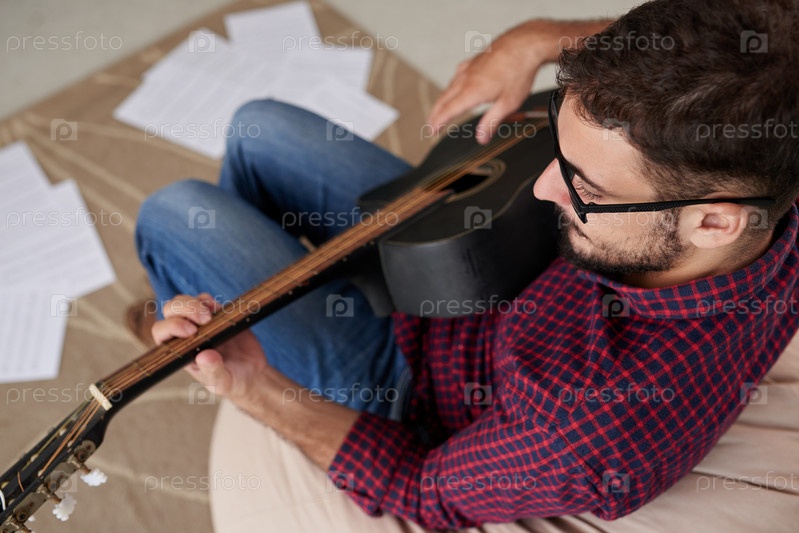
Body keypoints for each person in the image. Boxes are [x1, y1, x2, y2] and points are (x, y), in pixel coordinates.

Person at [133, 0, 799, 530]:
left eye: (587, 189)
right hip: (478, 268)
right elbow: (740, 56)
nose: (544, 187)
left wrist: (254, 386)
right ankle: (260, 285)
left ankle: (227, 318)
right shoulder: (773, 142)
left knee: (175, 212)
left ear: (713, 222)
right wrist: (540, 38)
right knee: (258, 127)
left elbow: (421, 488)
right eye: (561, 155)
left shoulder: (586, 427)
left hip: (406, 382)